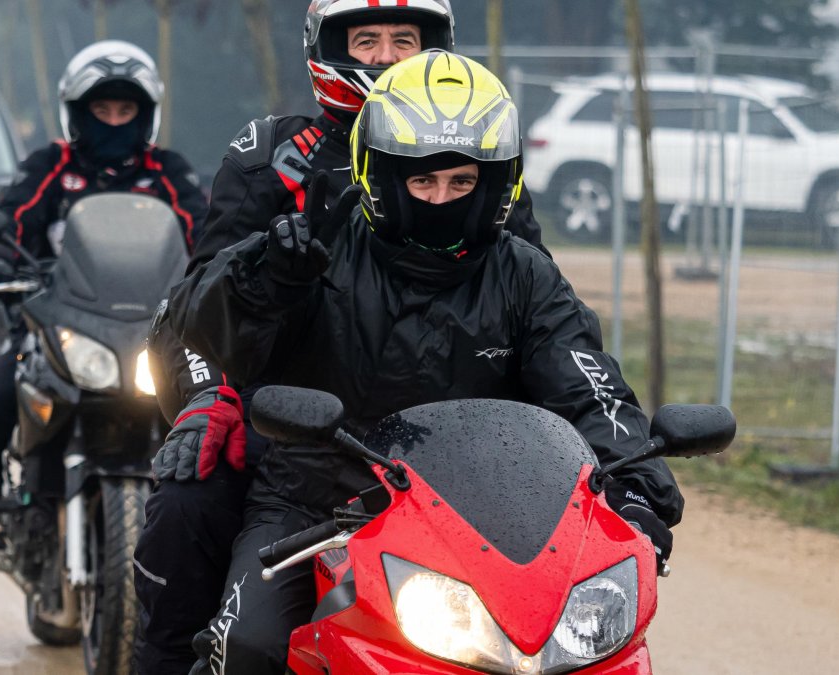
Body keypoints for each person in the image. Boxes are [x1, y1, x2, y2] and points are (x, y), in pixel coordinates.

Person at [165, 50, 683, 675]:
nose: (442, 198)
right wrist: (259, 278)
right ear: (381, 179)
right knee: (248, 645)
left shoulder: (525, 274)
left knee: (591, 653)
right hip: (315, 507)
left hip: (483, 521)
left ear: (495, 185)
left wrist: (637, 491)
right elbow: (203, 328)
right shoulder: (314, 245)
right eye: (423, 182)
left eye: (462, 183)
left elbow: (588, 388)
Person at [132, 1, 547, 671]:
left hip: (443, 445)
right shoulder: (271, 157)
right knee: (188, 496)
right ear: (325, 45)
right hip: (292, 430)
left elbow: (530, 306)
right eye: (367, 39)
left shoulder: (483, 155)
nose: (384, 56)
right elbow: (199, 309)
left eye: (403, 40)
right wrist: (209, 396)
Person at [0, 39, 208, 543]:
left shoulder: (168, 174)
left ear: (146, 114)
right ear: (77, 112)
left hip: (155, 330)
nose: (113, 120)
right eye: (101, 109)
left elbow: (205, 233)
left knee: (227, 417)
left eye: (126, 109)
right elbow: (13, 221)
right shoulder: (50, 167)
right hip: (60, 324)